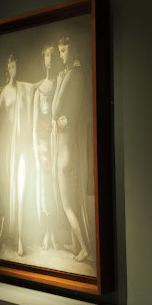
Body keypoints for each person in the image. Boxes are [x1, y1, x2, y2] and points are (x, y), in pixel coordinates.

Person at [0, 53, 36, 256]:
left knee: (21, 188)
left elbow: (37, 85)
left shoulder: (24, 88)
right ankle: (5, 229)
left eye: (15, 67)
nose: (13, 70)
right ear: (7, 69)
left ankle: (20, 237)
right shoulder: (3, 94)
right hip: (9, 145)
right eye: (10, 67)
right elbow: (0, 117)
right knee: (8, 188)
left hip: (22, 145)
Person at [51, 36, 91, 262]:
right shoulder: (79, 74)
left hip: (65, 152)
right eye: (59, 51)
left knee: (67, 204)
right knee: (72, 201)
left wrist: (59, 82)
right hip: (71, 147)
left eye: (64, 51)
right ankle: (77, 244)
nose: (61, 55)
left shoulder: (71, 75)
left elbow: (55, 110)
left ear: (72, 49)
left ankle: (84, 248)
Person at [32, 44, 58, 250]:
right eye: (47, 56)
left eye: (52, 55)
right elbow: (34, 124)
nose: (50, 59)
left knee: (55, 185)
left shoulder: (58, 82)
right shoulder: (39, 89)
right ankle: (47, 233)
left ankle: (54, 233)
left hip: (55, 139)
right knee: (44, 185)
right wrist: (35, 150)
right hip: (42, 143)